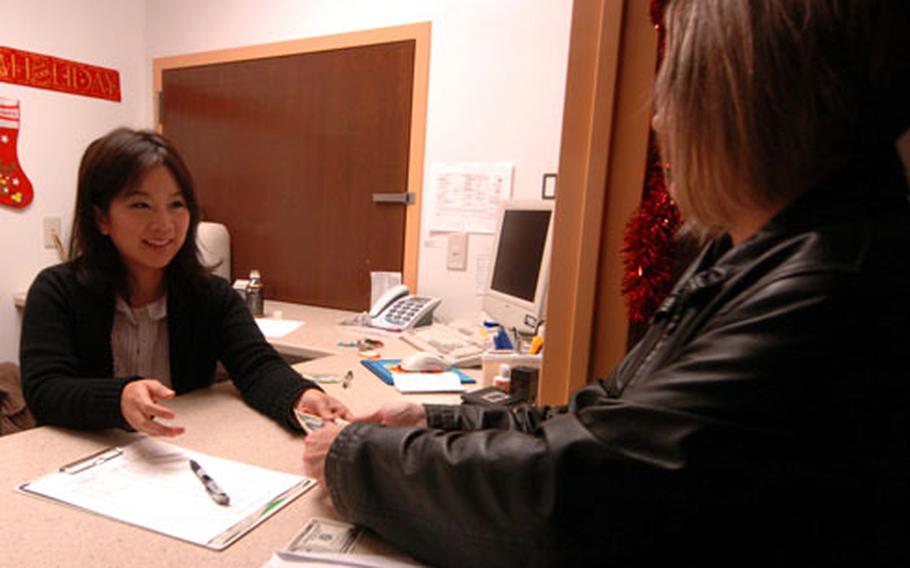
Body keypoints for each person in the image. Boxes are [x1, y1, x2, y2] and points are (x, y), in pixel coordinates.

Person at [302, 1, 910, 566]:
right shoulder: (755, 252)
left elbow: (574, 493)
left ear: (744, 99)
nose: (660, 118)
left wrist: (355, 459)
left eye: (675, 87)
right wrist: (430, 424)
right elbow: (596, 418)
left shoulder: (831, 281)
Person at [21, 128, 350, 436]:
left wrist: (300, 397)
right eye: (140, 205)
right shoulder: (57, 291)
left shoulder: (211, 295)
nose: (164, 224)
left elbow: (257, 366)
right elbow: (45, 391)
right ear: (102, 218)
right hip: (82, 462)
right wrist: (118, 398)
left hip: (183, 453)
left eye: (177, 205)